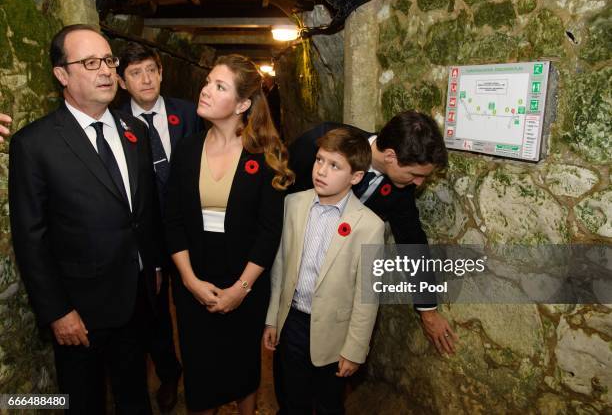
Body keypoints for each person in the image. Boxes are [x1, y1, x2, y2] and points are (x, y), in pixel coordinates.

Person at [8, 24, 162, 414]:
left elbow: (144, 212)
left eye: (109, 61)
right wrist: (57, 311)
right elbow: (31, 238)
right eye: (91, 63)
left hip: (135, 300)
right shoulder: (34, 144)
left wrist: (153, 265)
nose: (106, 71)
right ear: (62, 75)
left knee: (135, 398)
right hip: (79, 313)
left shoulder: (136, 131)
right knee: (84, 403)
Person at [164, 54, 294, 414]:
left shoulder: (267, 154)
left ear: (242, 104)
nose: (205, 91)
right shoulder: (187, 149)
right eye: (208, 82)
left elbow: (269, 232)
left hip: (244, 282)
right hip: (194, 281)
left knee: (242, 368)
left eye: (219, 87)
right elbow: (172, 220)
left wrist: (241, 289)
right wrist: (188, 281)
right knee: (200, 371)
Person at [288, 112, 459, 355]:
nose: (419, 183)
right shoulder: (323, 143)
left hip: (334, 301)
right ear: (391, 156)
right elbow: (277, 191)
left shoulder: (400, 188)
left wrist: (428, 311)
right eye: (415, 174)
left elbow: (411, 240)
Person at [264, 127, 385, 414]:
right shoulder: (293, 204)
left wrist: (354, 350)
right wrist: (272, 319)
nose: (321, 171)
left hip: (335, 334)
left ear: (356, 177)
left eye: (334, 166)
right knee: (291, 399)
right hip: (292, 321)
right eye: (319, 160)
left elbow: (367, 296)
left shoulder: (369, 226)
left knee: (328, 403)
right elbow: (280, 265)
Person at [117, 42, 202, 412]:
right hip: (146, 235)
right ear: (121, 81)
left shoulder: (189, 113)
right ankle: (169, 373)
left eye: (151, 69)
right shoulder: (116, 121)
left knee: (195, 302)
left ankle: (203, 374)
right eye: (135, 73)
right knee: (152, 310)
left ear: (162, 73)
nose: (146, 79)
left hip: (189, 230)